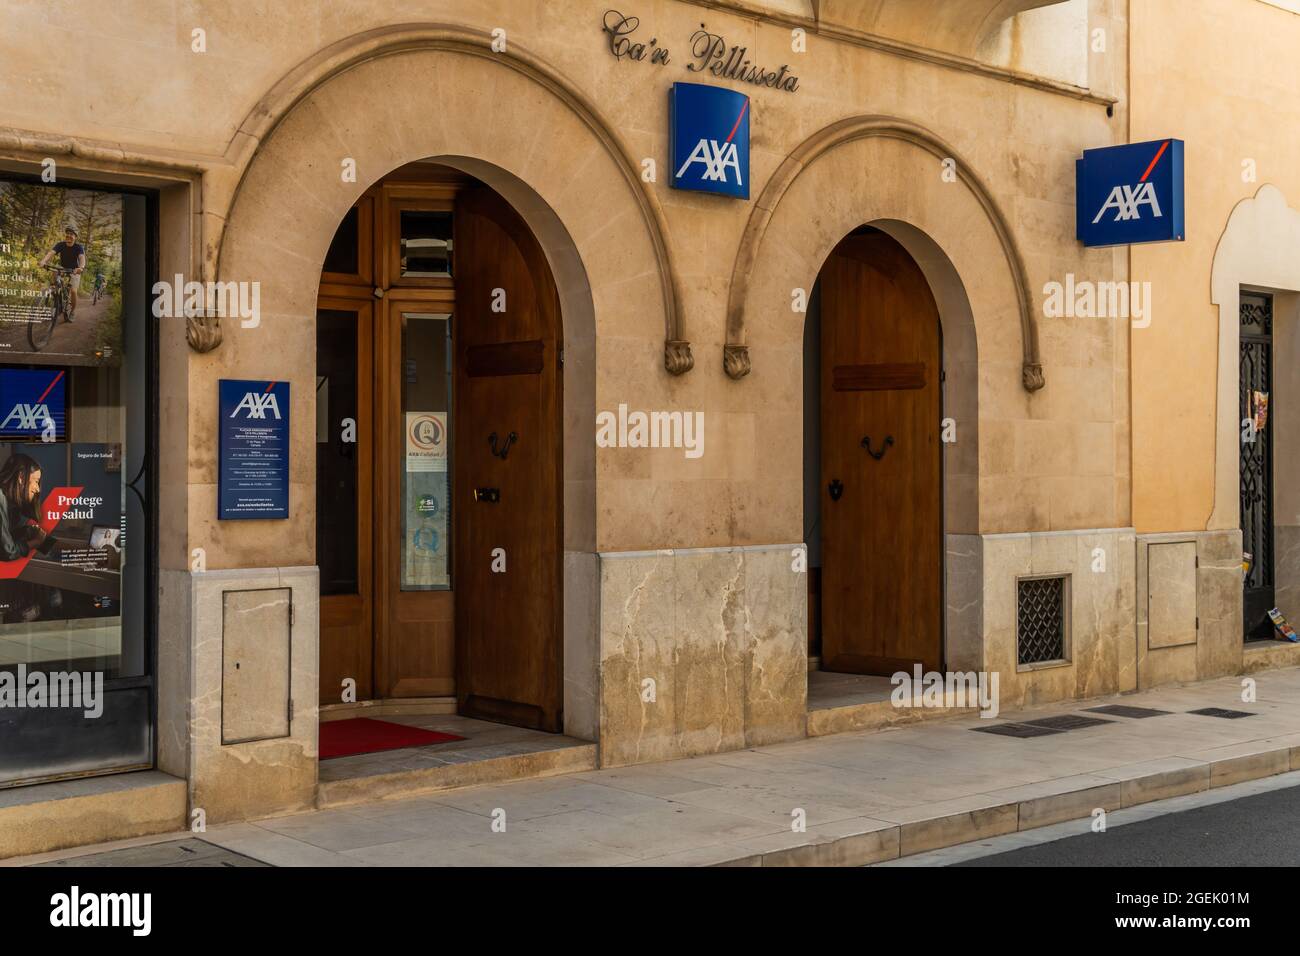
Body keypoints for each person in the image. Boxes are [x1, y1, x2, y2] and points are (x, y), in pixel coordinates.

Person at [0, 453, 47, 622]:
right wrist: (35, 542)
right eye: (35, 481)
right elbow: (8, 551)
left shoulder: (8, 502)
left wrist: (26, 533)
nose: (38, 489)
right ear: (21, 477)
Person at [38, 225, 86, 319]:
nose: (68, 236)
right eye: (67, 234)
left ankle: (72, 311)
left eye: (71, 234)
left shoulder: (79, 247)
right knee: (55, 272)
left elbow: (82, 258)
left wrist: (81, 267)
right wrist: (43, 261)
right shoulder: (60, 244)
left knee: (73, 291)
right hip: (63, 268)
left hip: (74, 270)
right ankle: (55, 294)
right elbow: (51, 253)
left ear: (75, 237)